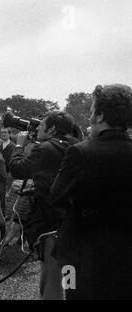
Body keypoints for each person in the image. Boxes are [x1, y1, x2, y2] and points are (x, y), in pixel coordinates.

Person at [51, 84, 132, 300]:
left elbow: (56, 197)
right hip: (125, 254)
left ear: (100, 115)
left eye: (92, 111)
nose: (89, 117)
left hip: (80, 252)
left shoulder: (80, 152)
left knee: (72, 292)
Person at [9, 111, 76, 300]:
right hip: (71, 222)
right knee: (69, 273)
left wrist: (19, 145)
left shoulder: (44, 148)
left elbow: (18, 169)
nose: (37, 127)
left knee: (51, 276)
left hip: (50, 222)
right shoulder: (75, 146)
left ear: (52, 128)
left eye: (41, 124)